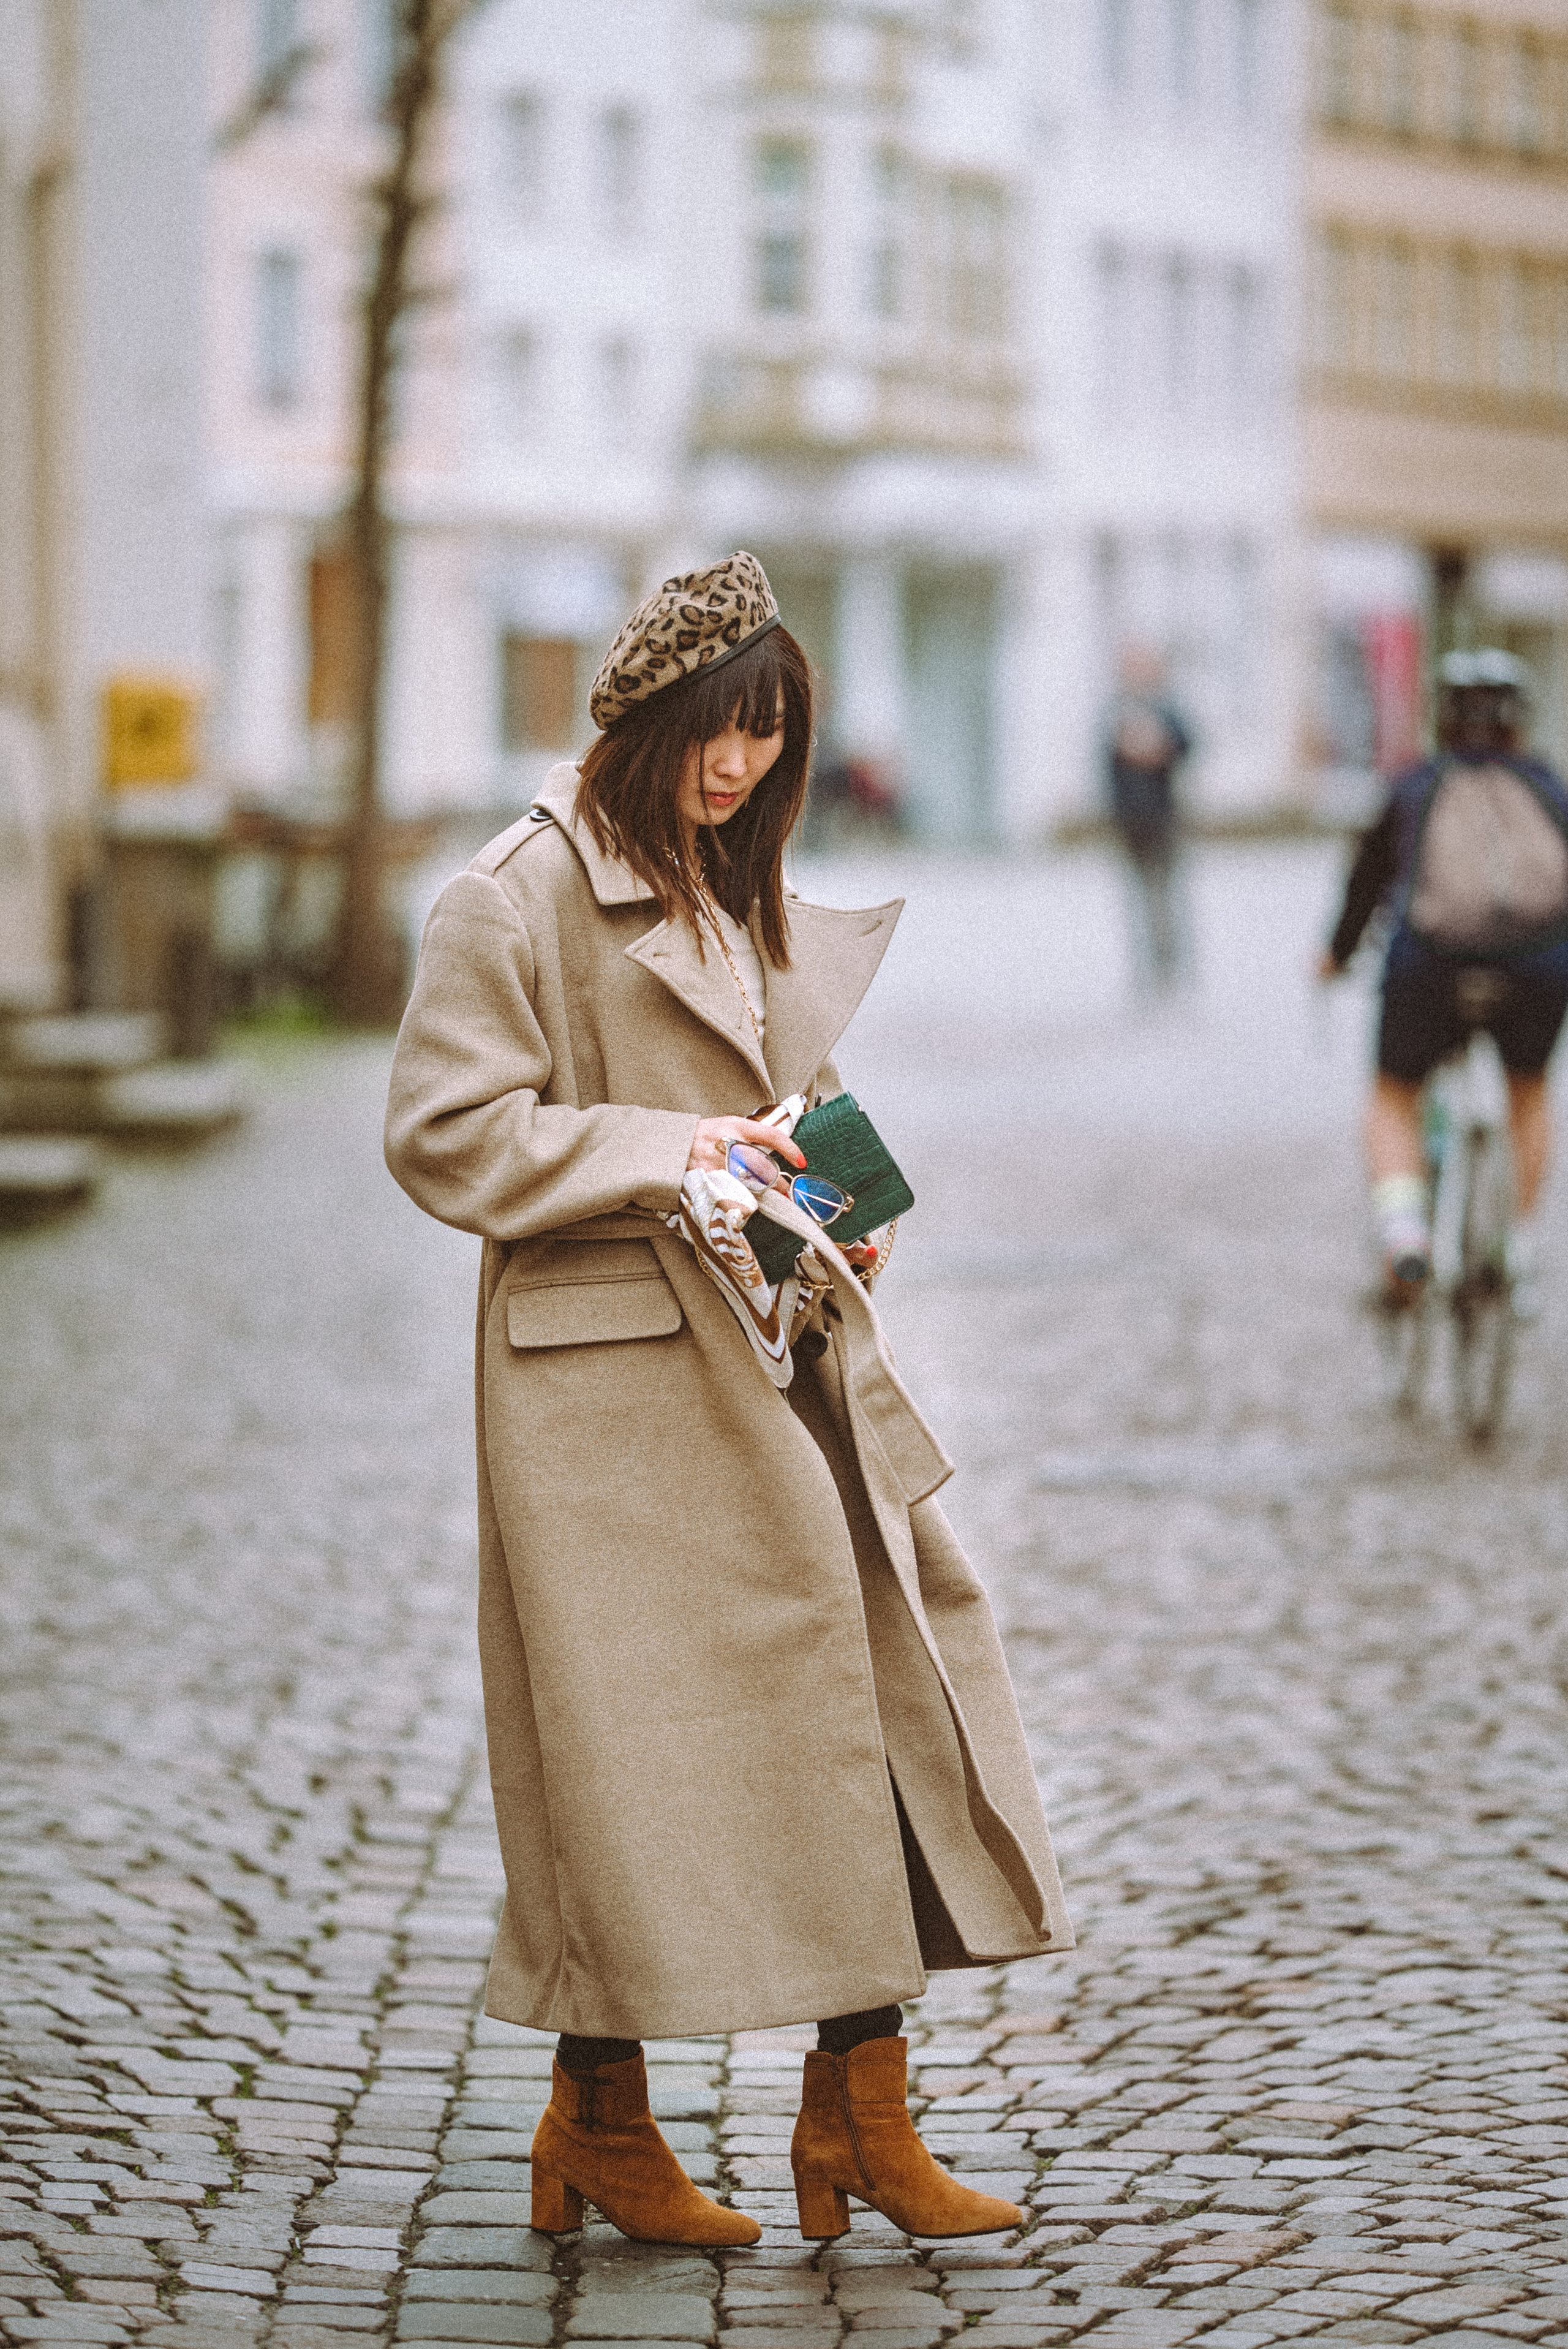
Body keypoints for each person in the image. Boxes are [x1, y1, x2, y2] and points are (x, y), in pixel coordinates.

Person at [384, 553, 1072, 2250]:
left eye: (770, 738)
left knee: (877, 1696)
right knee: (633, 1758)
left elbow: (788, 1090)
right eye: (720, 732)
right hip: (607, 1396)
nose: (742, 767)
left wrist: (854, 1195)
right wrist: (661, 1151)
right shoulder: (512, 894)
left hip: (779, 1351)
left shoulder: (724, 876)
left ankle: (860, 2112)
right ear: (649, 716)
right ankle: (602, 2123)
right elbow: (443, 1133)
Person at [1319, 648, 1568, 1310]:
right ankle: (1514, 1246)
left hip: (1428, 968)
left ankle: (1404, 1236)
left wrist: (1334, 957)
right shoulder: (1548, 788)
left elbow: (1366, 883)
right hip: (1538, 970)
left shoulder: (1414, 784)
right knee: (1528, 1093)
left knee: (1393, 1097)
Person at [1102, 643, 1193, 993]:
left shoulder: (1166, 709)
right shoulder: (1116, 712)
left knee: (1165, 894)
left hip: (1162, 816)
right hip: (1131, 820)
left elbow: (1186, 747)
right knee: (1139, 897)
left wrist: (1160, 748)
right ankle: (1147, 968)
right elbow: (1108, 766)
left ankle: (1170, 967)